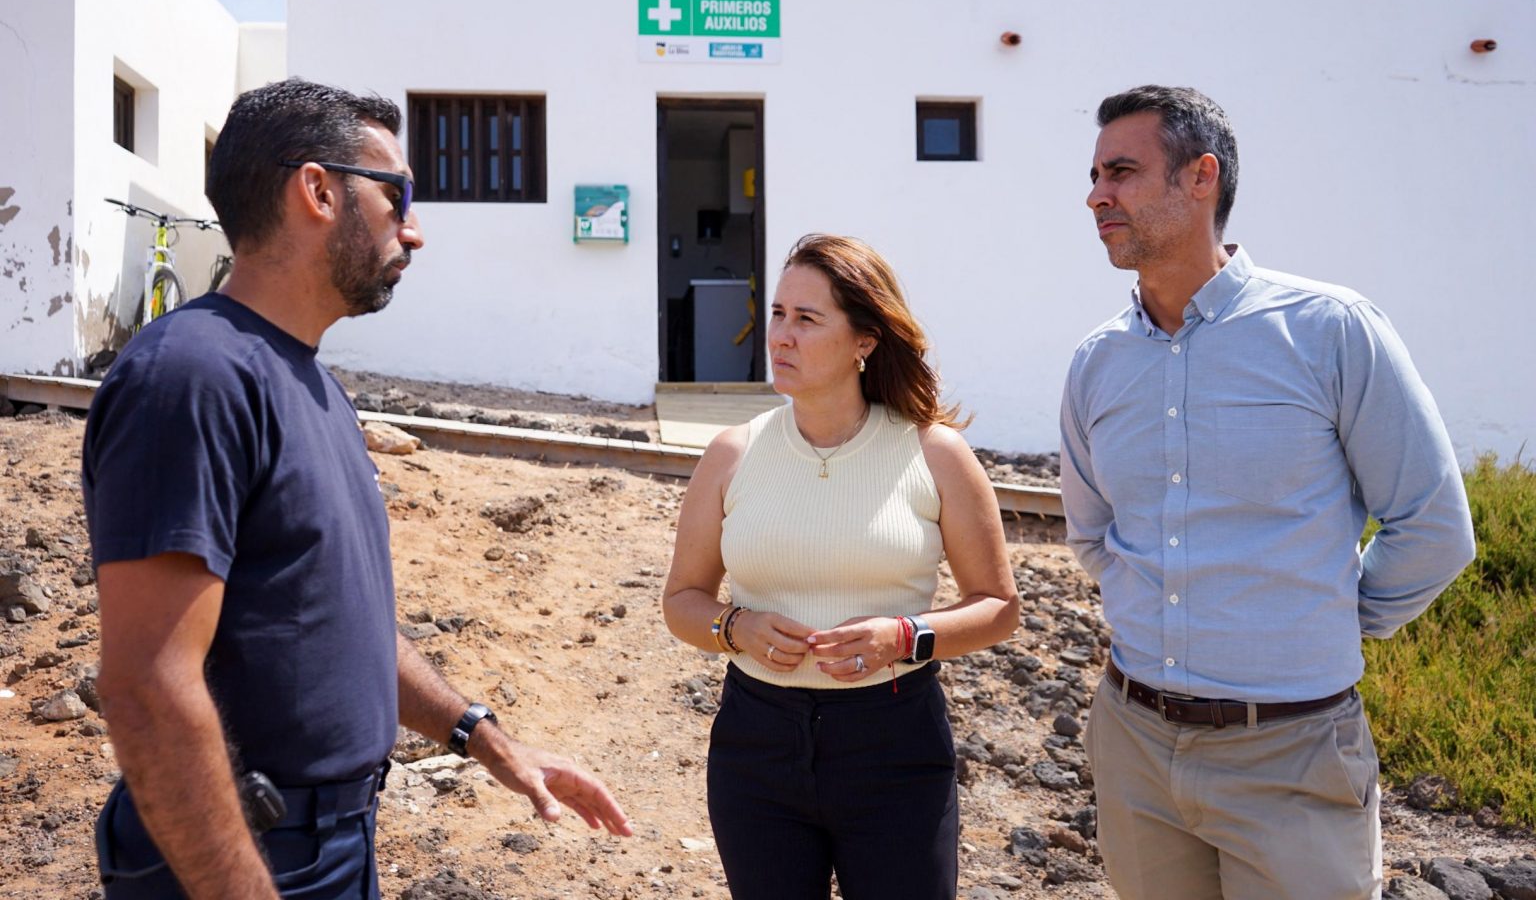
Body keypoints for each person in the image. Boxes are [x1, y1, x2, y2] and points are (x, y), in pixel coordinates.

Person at [83, 78, 631, 900]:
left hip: (329, 843)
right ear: (316, 190)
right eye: (396, 193)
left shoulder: (307, 380)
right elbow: (149, 689)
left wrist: (485, 738)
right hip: (236, 852)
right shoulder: (193, 377)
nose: (413, 231)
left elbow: (340, 621)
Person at [1060, 84, 1476, 900]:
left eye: (1121, 171)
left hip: (1293, 756)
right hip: (1135, 747)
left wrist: (1325, 618)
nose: (1096, 195)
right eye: (1094, 175)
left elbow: (1433, 526)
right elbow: (1090, 535)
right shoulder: (1097, 362)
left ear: (1200, 176)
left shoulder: (1330, 330)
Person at [663, 233, 1020, 900]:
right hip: (756, 746)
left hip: (895, 746)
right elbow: (682, 599)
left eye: (806, 319)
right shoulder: (731, 454)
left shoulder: (935, 453)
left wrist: (903, 637)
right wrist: (737, 627)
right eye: (777, 314)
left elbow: (998, 605)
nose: (781, 336)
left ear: (864, 340)